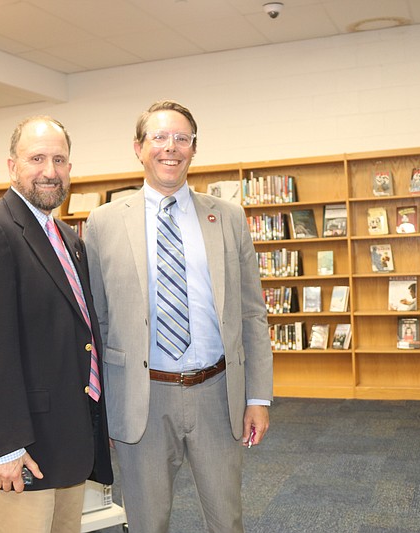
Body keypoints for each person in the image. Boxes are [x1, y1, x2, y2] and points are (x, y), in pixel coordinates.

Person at [85, 100, 273, 533]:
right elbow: (97, 322)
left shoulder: (228, 217)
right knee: (148, 522)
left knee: (227, 520)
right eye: (159, 137)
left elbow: (251, 314)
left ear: (193, 148)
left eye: (181, 139)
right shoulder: (103, 223)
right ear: (139, 147)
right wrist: (103, 410)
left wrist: (258, 398)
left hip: (217, 392)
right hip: (142, 400)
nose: (171, 148)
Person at [0, 116, 112, 533]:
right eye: (36, 158)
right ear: (12, 166)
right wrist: (4, 447)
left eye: (59, 159)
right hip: (23, 447)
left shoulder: (69, 240)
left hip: (68, 438)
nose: (50, 171)